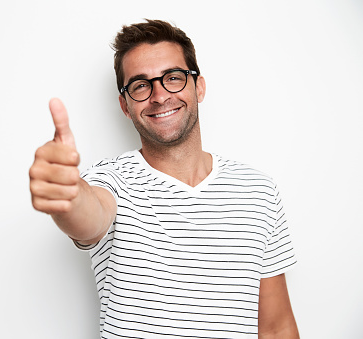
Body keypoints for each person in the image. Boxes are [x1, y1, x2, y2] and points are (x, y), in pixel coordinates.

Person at [29, 19, 299, 338]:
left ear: (198, 86)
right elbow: (90, 216)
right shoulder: (109, 180)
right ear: (125, 105)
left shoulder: (258, 190)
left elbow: (276, 327)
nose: (159, 96)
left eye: (172, 77)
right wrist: (68, 198)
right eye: (141, 85)